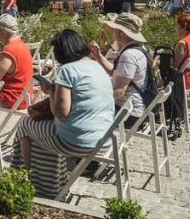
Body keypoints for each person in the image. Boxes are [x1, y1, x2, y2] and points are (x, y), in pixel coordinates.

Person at [11, 29, 115, 198]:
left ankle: (25, 178)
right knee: (42, 135)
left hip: (76, 142)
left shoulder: (68, 70)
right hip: (103, 140)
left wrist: (49, 90)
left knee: (25, 125)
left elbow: (60, 112)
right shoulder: (96, 66)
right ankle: (50, 187)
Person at [90, 13, 149, 129]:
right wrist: (98, 55)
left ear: (122, 33)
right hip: (137, 108)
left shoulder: (129, 55)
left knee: (79, 110)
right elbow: (115, 72)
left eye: (114, 29)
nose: (113, 32)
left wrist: (91, 98)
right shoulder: (140, 49)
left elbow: (118, 92)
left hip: (128, 114)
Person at [0, 14, 34, 109]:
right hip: (25, 97)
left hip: (11, 99)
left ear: (1, 31)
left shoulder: (9, 50)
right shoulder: (21, 44)